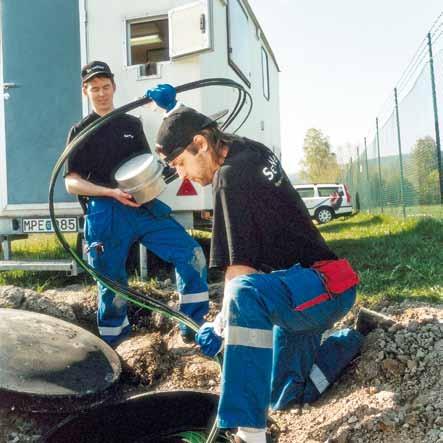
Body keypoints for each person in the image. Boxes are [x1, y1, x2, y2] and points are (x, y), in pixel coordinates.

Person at [148, 85, 364, 443]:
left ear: (201, 145)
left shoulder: (229, 179)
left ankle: (249, 434)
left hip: (322, 286)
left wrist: (219, 327)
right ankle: (350, 340)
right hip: (304, 296)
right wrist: (174, 111)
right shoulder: (249, 149)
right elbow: (200, 130)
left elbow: (240, 278)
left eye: (180, 164)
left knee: (244, 295)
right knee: (281, 395)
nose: (184, 175)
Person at [64, 62, 209, 346]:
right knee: (111, 285)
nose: (102, 93)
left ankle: (193, 327)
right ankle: (116, 346)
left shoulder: (131, 124)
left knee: (192, 254)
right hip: (105, 212)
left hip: (143, 205)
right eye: (95, 89)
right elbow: (71, 182)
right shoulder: (80, 130)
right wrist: (110, 192)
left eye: (106, 87)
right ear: (85, 91)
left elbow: (145, 164)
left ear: (114, 87)